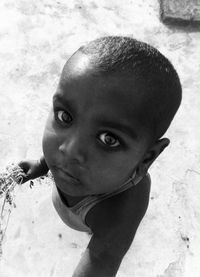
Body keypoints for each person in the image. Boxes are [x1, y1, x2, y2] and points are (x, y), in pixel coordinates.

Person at [18, 36, 182, 277]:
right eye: (65, 117)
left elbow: (102, 260)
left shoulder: (122, 209)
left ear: (147, 158)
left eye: (108, 139)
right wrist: (42, 165)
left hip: (94, 218)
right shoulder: (73, 162)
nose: (69, 150)